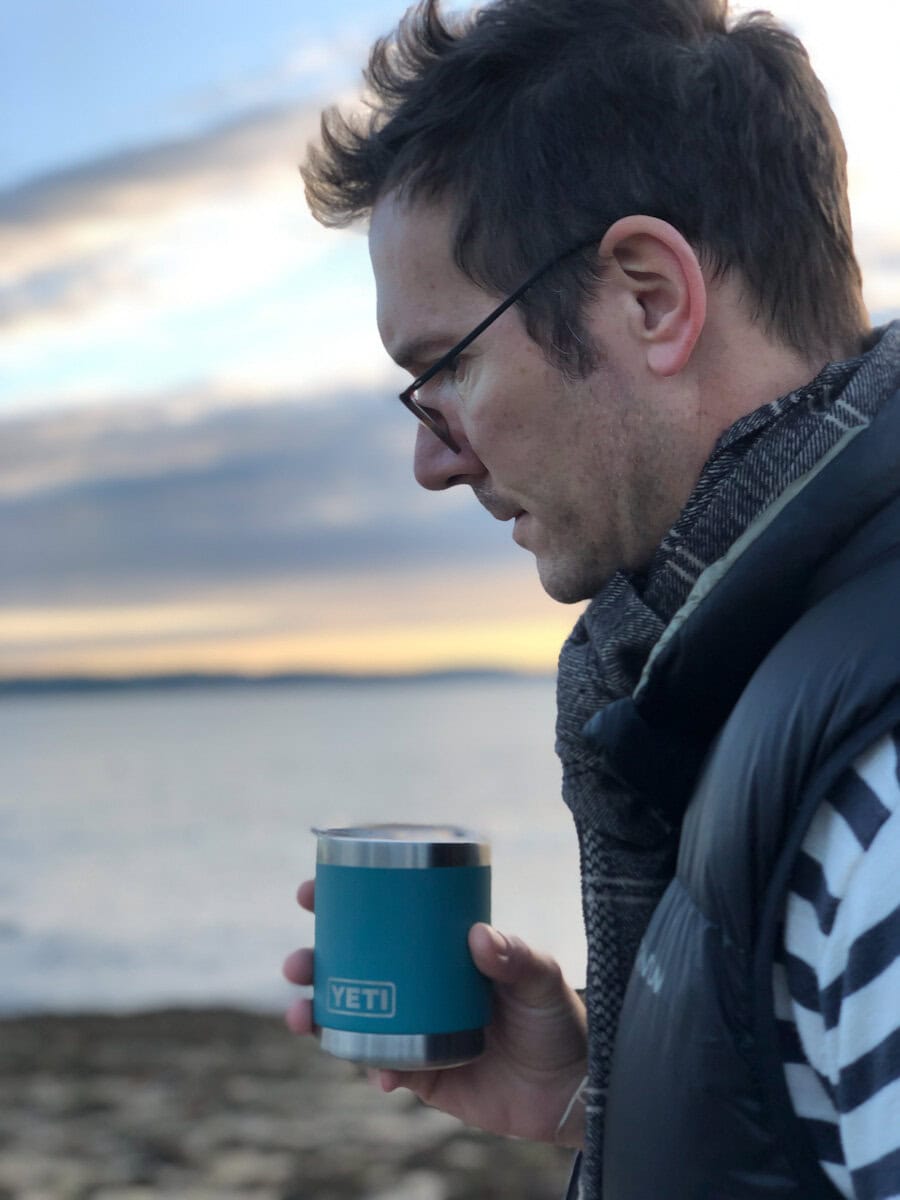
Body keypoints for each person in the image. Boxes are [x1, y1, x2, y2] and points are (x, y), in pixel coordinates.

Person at [282, 0, 900, 1195]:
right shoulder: (754, 668)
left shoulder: (874, 778)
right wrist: (602, 1102)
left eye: (447, 365)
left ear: (650, 297)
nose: (434, 458)